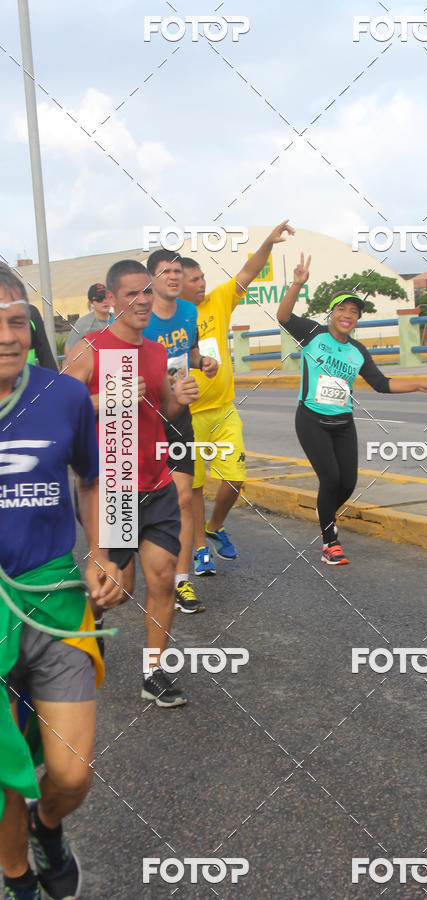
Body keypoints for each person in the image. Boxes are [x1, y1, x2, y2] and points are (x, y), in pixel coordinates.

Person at [0, 270, 122, 900]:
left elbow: (93, 478)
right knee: (6, 772)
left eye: (17, 322)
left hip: (54, 603)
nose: (7, 336)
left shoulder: (64, 397)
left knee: (71, 776)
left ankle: (51, 827)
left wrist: (101, 551)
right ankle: (17, 876)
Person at [66, 260, 200, 708]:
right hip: (115, 483)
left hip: (156, 481)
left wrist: (177, 401)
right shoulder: (92, 348)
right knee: (117, 590)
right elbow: (59, 407)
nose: (143, 300)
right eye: (132, 294)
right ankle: (91, 624)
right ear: (113, 300)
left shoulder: (157, 351)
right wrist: (106, 398)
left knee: (162, 577)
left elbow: (162, 413)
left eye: (147, 291)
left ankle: (154, 672)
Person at [277, 253, 427, 565]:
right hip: (311, 419)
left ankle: (325, 512)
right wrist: (297, 284)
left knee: (348, 483)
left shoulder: (358, 351)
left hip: (343, 422)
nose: (347, 315)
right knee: (329, 479)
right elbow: (284, 317)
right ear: (332, 314)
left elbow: (382, 383)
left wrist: (420, 384)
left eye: (353, 312)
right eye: (342, 309)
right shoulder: (313, 334)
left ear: (356, 319)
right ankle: (330, 541)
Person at [180, 219, 295, 576]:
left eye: (202, 278)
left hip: (224, 410)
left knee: (235, 478)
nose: (202, 284)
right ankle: (200, 548)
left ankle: (215, 526)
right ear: (176, 284)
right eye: (194, 280)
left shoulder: (219, 299)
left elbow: (249, 269)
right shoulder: (172, 318)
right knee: (195, 487)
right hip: (190, 416)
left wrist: (268, 242)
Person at [143, 249, 218, 613]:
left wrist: (201, 362)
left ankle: (181, 582)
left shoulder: (189, 312)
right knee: (132, 502)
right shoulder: (139, 318)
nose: (173, 277)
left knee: (183, 498)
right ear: (151, 279)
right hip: (142, 419)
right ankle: (121, 566)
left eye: (177, 270)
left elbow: (188, 351)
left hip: (178, 417)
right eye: (165, 271)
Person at [64, 283, 111, 353]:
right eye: (99, 299)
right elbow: (69, 351)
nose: (104, 301)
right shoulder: (83, 323)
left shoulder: (120, 319)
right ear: (91, 303)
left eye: (107, 297)